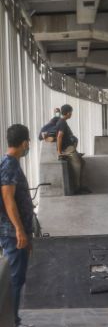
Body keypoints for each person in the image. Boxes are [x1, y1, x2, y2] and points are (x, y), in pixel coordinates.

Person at [0, 124, 34, 327]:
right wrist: (20, 231)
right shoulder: (9, 164)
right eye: (28, 142)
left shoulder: (10, 163)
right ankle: (9, 321)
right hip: (12, 234)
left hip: (16, 234)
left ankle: (13, 319)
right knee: (13, 280)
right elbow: (8, 199)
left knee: (18, 278)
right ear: (24, 143)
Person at [56, 104, 90, 195]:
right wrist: (59, 152)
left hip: (70, 148)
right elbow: (59, 137)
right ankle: (76, 188)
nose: (71, 114)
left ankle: (80, 185)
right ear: (67, 113)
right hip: (67, 149)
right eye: (71, 112)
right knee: (77, 165)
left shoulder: (62, 121)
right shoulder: (62, 123)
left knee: (82, 162)